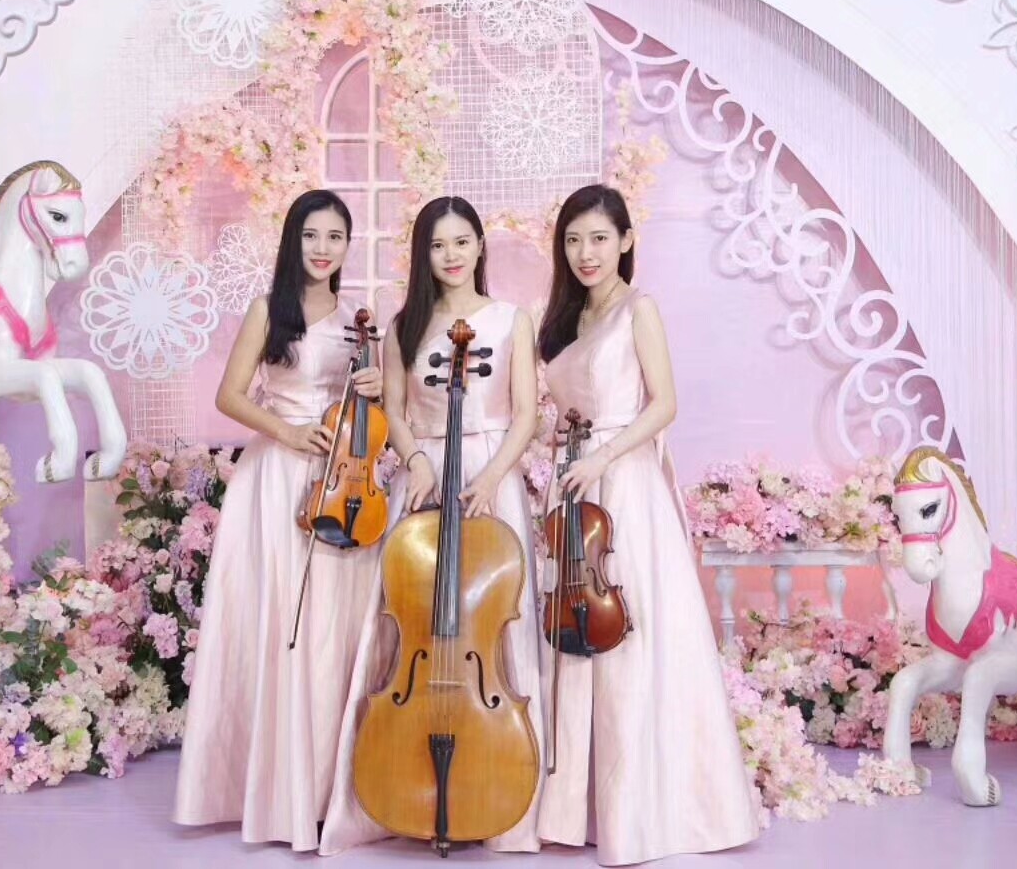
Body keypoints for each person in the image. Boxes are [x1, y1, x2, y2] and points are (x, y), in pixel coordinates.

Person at [535, 184, 760, 865]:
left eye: (600, 238)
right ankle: (581, 808)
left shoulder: (641, 309)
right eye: (574, 240)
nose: (586, 252)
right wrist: (560, 447)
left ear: (627, 241)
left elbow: (663, 405)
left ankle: (643, 810)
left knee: (629, 637)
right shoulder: (566, 321)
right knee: (580, 633)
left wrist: (603, 455)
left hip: (624, 484)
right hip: (575, 485)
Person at [318, 195, 545, 854]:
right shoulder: (405, 325)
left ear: (480, 246)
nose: (451, 255)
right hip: (424, 471)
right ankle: (394, 780)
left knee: (492, 624)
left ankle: (499, 786)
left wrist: (492, 477)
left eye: (462, 242)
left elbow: (526, 414)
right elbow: (394, 408)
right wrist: (415, 459)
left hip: (490, 473)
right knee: (409, 620)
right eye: (439, 245)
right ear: (424, 253)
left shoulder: (511, 319)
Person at [173, 189, 383, 851]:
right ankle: (271, 792)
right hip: (274, 480)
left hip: (341, 486)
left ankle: (322, 793)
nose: (323, 248)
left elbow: (375, 414)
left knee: (330, 630)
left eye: (335, 237)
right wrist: (288, 433)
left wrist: (378, 386)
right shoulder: (269, 310)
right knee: (280, 629)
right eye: (311, 235)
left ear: (347, 246)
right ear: (294, 241)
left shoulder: (357, 321)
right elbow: (229, 395)